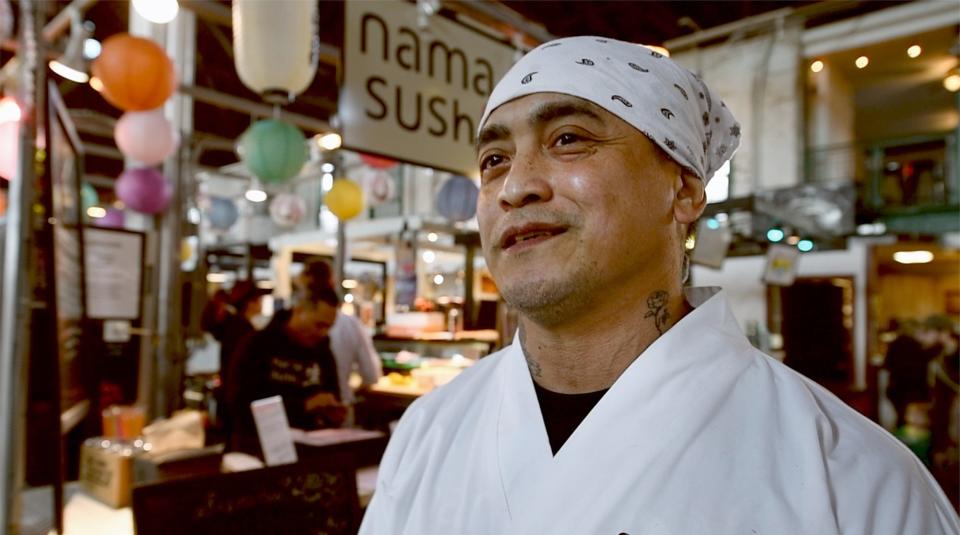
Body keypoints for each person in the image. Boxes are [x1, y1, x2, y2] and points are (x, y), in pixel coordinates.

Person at [359, 36, 959, 533]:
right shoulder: (428, 434)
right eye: (494, 160)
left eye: (568, 138)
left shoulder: (855, 481)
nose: (516, 186)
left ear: (684, 190)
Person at [225, 266, 345, 457]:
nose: (323, 333)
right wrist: (304, 406)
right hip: (257, 451)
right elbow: (240, 405)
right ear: (299, 311)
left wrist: (333, 412)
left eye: (329, 327)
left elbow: (333, 391)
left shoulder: (322, 350)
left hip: (310, 451)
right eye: (319, 324)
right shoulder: (257, 344)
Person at [293, 260, 383, 416]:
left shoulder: (283, 328)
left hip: (309, 418)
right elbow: (371, 375)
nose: (321, 332)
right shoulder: (350, 324)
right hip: (336, 412)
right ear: (332, 281)